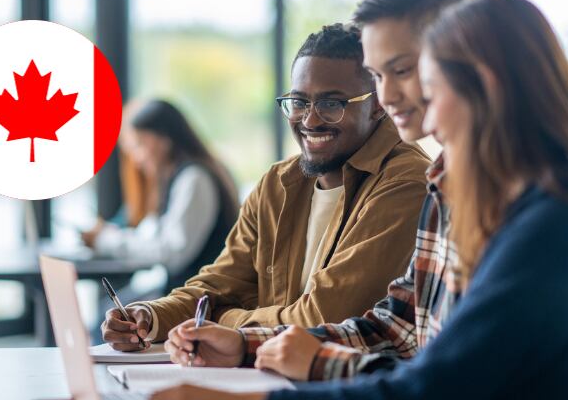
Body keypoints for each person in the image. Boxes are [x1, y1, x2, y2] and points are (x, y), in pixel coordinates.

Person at [145, 0, 568, 400]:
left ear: (483, 88)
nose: (417, 111)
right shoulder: (519, 206)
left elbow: (427, 398)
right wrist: (250, 347)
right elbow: (404, 336)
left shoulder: (555, 230)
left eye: (427, 86)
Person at [166, 0, 482, 379]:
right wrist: (244, 343)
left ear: (467, 61)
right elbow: (396, 329)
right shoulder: (447, 186)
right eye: (380, 75)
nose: (388, 96)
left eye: (403, 70)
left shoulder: (497, 198)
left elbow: (440, 385)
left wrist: (236, 332)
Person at [102, 23, 431, 350]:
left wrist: (224, 321)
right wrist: (148, 316)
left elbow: (322, 319)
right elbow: (217, 284)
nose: (310, 120)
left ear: (376, 104)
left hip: (347, 387)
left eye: (332, 104)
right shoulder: (279, 183)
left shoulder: (405, 183)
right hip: (267, 375)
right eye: (300, 102)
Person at [82, 99, 239, 294]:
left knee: (109, 318)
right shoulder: (175, 179)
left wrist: (107, 240)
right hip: (185, 295)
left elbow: (172, 252)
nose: (137, 159)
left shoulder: (194, 179)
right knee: (112, 313)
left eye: (140, 145)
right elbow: (153, 236)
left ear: (164, 140)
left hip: (198, 300)